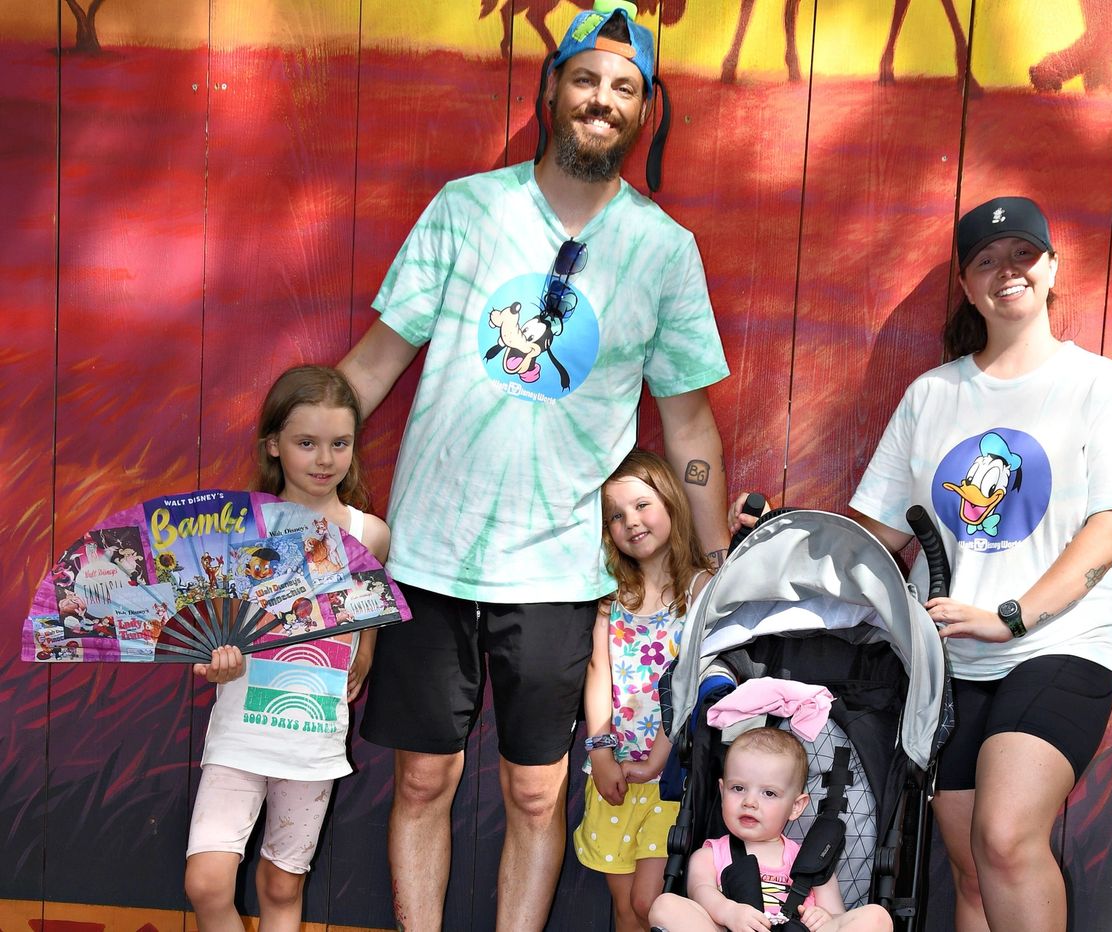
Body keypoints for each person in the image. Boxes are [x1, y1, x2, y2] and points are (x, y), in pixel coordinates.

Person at [338, 2, 731, 928]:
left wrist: (715, 562)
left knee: (535, 795)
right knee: (424, 779)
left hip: (559, 571)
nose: (602, 99)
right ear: (552, 88)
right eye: (586, 78)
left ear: (644, 112)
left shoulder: (664, 252)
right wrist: (283, 481)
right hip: (429, 556)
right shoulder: (468, 208)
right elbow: (370, 367)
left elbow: (691, 424)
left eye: (624, 88)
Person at [845, 196, 1112, 932]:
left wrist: (1011, 616)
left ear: (1051, 268)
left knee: (1006, 838)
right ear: (966, 283)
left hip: (1060, 644)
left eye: (1022, 254)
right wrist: (784, 532)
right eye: (986, 260)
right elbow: (875, 534)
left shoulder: (1096, 383)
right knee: (974, 873)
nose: (1006, 270)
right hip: (952, 660)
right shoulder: (932, 395)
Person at [184, 365, 391, 932]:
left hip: (312, 737)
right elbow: (215, 630)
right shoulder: (236, 526)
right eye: (307, 443)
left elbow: (370, 607)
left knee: (282, 883)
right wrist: (219, 661)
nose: (324, 459)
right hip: (240, 732)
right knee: (206, 883)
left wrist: (366, 650)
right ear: (274, 445)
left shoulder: (367, 533)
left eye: (339, 443)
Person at [574, 449, 713, 932]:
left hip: (670, 775)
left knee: (646, 903)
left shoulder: (700, 590)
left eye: (641, 505)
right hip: (614, 771)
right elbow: (598, 672)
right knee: (623, 911)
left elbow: (696, 685)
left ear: (671, 502)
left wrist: (658, 758)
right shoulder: (611, 596)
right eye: (615, 515)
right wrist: (602, 751)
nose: (630, 521)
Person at [648, 727, 893, 932]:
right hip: (734, 926)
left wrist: (824, 917)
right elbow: (701, 893)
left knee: (877, 917)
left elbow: (837, 914)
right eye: (738, 788)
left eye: (769, 793)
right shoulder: (710, 855)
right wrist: (729, 911)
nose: (750, 802)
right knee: (665, 905)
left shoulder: (811, 860)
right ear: (722, 792)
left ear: (796, 806)